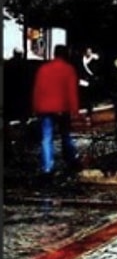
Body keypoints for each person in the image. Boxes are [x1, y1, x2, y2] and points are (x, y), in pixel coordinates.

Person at [32, 45, 81, 179]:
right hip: (62, 108)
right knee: (65, 135)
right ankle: (71, 159)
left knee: (46, 138)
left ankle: (47, 167)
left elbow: (37, 89)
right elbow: (72, 92)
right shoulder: (68, 69)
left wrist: (35, 107)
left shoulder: (43, 69)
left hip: (45, 108)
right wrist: (75, 110)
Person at [78, 47, 100, 121]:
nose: (89, 53)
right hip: (82, 81)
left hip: (90, 81)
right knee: (83, 96)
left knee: (89, 98)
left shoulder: (93, 60)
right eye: (88, 52)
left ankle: (89, 113)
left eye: (90, 52)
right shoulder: (81, 60)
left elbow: (95, 70)